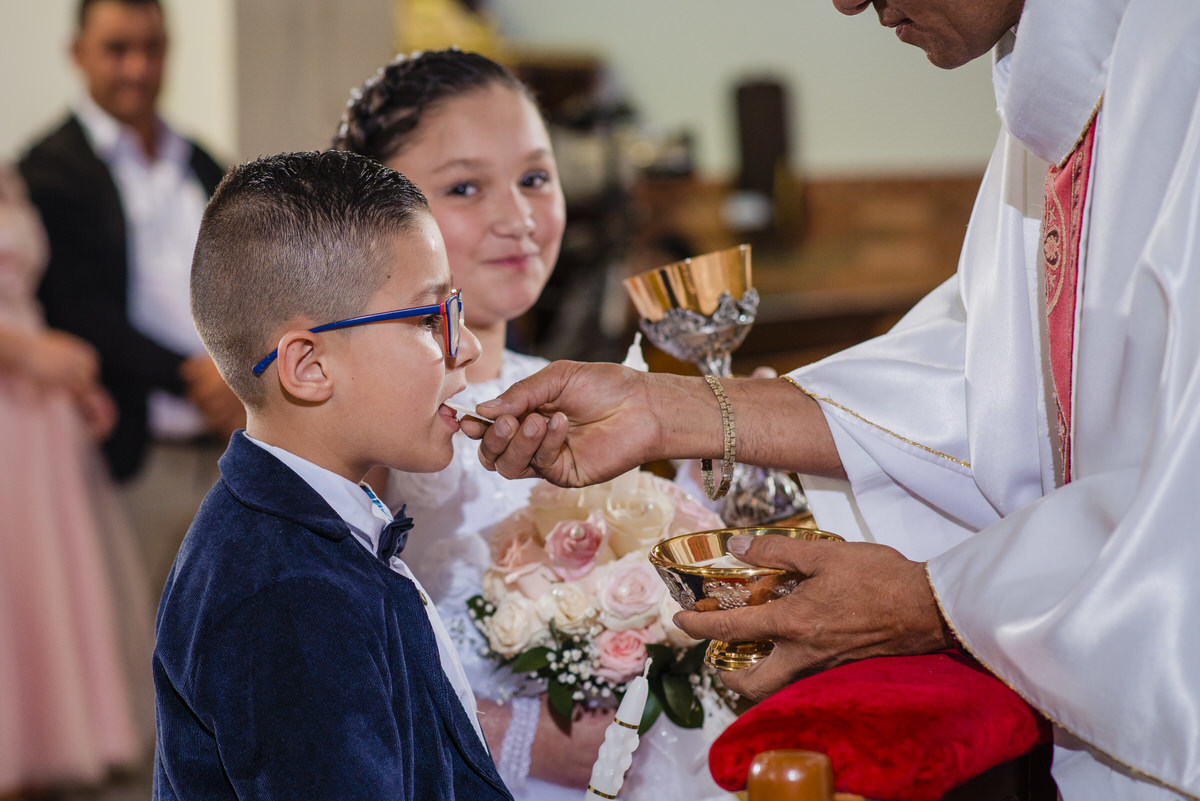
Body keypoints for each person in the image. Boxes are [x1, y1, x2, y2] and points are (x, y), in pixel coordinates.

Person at [462, 1, 1200, 799]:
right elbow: (989, 387)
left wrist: (930, 601)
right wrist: (663, 409)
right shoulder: (1058, 83)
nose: (847, 1)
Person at [332, 50, 734, 800]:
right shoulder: (374, 415)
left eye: (535, 178)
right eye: (465, 187)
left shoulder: (567, 384)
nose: (518, 219)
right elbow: (322, 654)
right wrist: (513, 734)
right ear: (372, 214)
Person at [153, 150, 509, 800]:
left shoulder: (304, 524)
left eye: (453, 310)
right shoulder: (289, 597)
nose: (470, 345)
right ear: (310, 367)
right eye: (427, 318)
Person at [17, 0, 239, 599]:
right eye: (117, 50)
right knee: (134, 641)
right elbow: (79, 309)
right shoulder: (50, 170)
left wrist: (242, 373)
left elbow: (249, 276)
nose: (137, 68)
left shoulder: (199, 160)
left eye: (152, 48)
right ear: (78, 54)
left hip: (229, 450)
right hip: (133, 461)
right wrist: (199, 376)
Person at [0, 165, 153, 794]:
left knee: (41, 588)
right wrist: (23, 351)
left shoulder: (13, 176)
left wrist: (72, 381)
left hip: (35, 418)